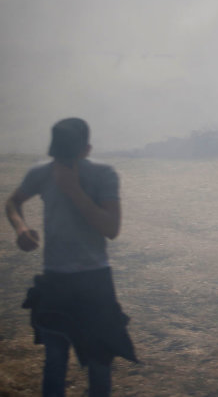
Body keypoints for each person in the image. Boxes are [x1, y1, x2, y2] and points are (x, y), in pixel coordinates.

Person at [5, 118, 137, 397]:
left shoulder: (104, 174)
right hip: (56, 279)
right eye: (57, 156)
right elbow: (13, 201)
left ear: (86, 150)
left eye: (67, 156)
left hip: (95, 279)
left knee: (99, 361)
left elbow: (111, 229)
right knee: (55, 360)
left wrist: (74, 190)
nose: (60, 163)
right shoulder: (41, 172)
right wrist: (21, 228)